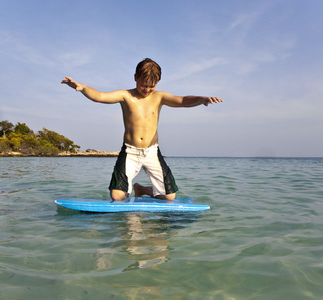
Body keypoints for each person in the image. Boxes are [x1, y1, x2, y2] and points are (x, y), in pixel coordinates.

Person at [61, 58, 223, 201]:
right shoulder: (125, 95)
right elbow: (99, 96)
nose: (147, 89)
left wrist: (202, 99)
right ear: (135, 78)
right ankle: (129, 191)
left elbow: (182, 100)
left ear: (157, 83)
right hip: (130, 151)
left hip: (152, 151)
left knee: (169, 197)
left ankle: (142, 190)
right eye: (143, 85)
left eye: (151, 86)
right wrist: (82, 87)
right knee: (117, 196)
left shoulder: (159, 97)